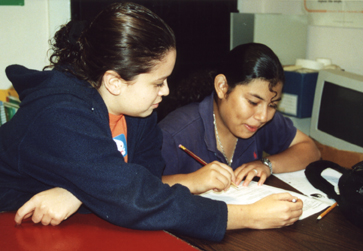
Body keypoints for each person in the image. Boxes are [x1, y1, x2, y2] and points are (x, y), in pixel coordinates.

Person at [2, 3, 303, 241]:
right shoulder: (61, 113)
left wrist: (77, 192)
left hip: (64, 223)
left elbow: (141, 179)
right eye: (158, 82)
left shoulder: (139, 111)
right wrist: (249, 216)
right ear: (115, 81)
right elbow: (136, 197)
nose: (167, 91)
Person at [159, 43, 321, 194]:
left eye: (273, 105)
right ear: (222, 87)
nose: (263, 116)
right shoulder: (175, 133)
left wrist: (267, 165)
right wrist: (191, 181)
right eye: (253, 102)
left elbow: (310, 149)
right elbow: (139, 191)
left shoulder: (259, 121)